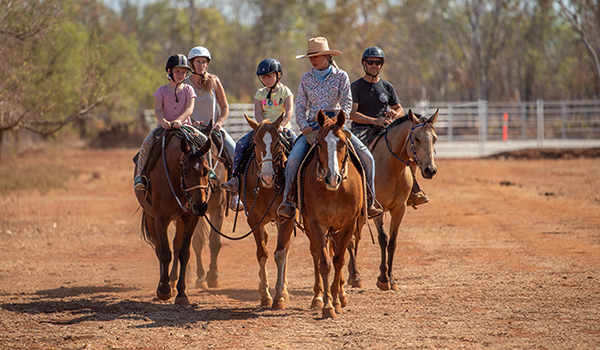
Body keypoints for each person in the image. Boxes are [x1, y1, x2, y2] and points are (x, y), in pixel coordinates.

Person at [276, 37, 383, 220]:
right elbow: (300, 106)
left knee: (367, 157)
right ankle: (289, 200)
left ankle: (369, 200)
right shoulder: (306, 78)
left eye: (316, 56)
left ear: (327, 56)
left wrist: (339, 120)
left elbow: (347, 102)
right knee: (293, 159)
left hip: (336, 126)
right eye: (311, 57)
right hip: (313, 127)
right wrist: (303, 126)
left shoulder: (341, 76)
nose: (313, 60)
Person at [349, 46, 429, 208]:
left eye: (378, 63)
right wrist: (374, 121)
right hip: (361, 130)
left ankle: (413, 192)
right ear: (364, 64)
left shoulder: (387, 87)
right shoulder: (356, 86)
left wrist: (395, 113)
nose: (374, 65)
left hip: (385, 129)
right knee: (358, 158)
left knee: (409, 151)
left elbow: (399, 109)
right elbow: (352, 114)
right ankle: (358, 192)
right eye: (370, 62)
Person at [221, 58, 295, 192]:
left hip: (282, 129)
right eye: (263, 77)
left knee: (296, 148)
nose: (266, 79)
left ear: (278, 75)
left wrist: (282, 125)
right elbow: (258, 112)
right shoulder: (259, 93)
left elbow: (289, 111)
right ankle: (235, 178)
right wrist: (263, 126)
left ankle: (297, 182)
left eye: (269, 76)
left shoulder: (285, 92)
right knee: (240, 145)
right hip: (263, 129)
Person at [185, 46, 241, 209]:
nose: (201, 65)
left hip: (214, 129)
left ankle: (235, 196)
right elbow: (183, 107)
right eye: (198, 62)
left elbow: (225, 107)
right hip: (192, 130)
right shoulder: (186, 84)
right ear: (191, 64)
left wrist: (219, 123)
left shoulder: (214, 81)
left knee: (235, 152)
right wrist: (190, 122)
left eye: (204, 62)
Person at [134, 54, 196, 190]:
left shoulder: (189, 90)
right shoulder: (161, 91)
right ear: (169, 71)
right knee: (147, 143)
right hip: (164, 127)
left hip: (184, 126)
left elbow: (190, 109)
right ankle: (140, 175)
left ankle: (210, 171)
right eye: (177, 71)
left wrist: (180, 120)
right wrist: (163, 122)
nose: (180, 74)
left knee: (202, 140)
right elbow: (157, 110)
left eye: (183, 72)